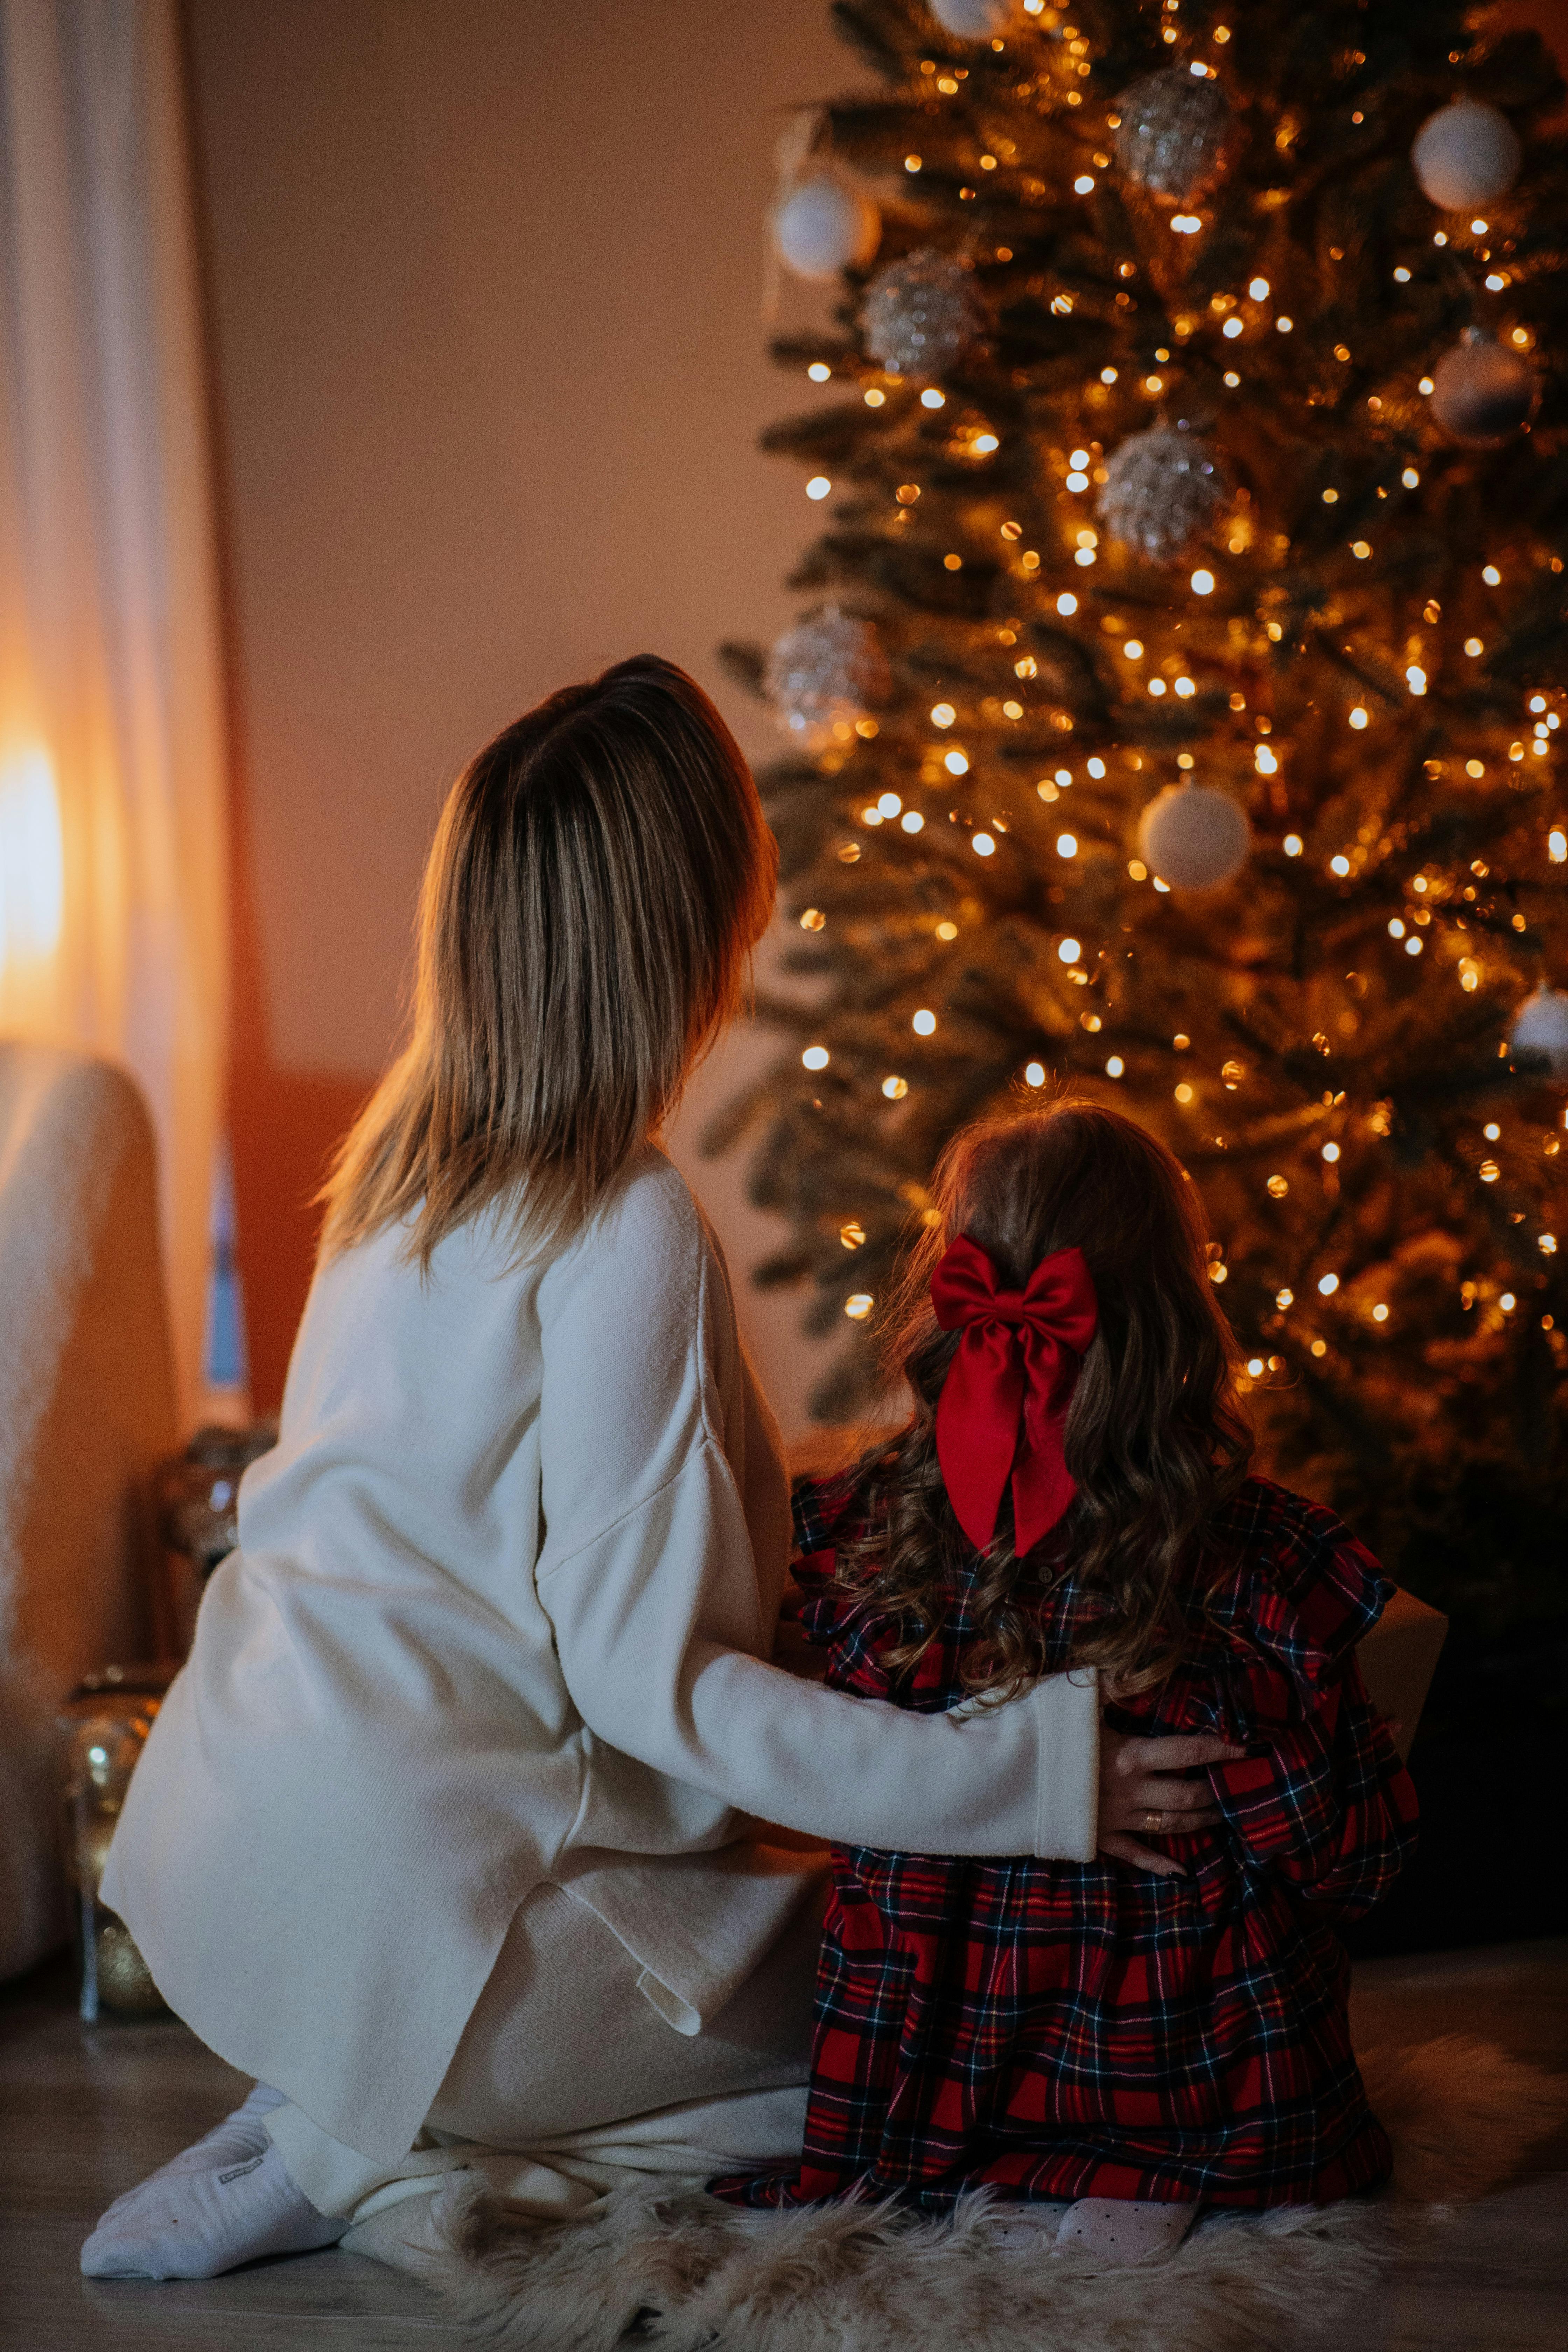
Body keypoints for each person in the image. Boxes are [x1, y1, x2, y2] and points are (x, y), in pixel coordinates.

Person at [82, 660, 1238, 2282]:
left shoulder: (393, 1177)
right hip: (435, 1947)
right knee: (905, 2011)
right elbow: (659, 1694)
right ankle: (366, 2146)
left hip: (248, 1881)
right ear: (692, 936)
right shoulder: (625, 1233)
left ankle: (332, 2103)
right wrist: (1032, 1780)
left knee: (756, 1911)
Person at [713, 1103, 1419, 2264]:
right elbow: (1355, 1856)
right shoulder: (1255, 1564)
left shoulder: (865, 1541)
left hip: (928, 2075)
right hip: (1190, 2076)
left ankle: (999, 2184)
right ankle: (1135, 2171)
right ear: (1175, 1302)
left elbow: (819, 1754)